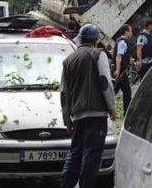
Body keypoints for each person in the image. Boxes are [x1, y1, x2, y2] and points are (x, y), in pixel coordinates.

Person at [61, 24, 118, 188]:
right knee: (91, 155)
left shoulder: (68, 60)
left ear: (81, 39)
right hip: (96, 114)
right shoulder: (97, 55)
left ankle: (67, 184)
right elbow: (104, 82)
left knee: (75, 153)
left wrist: (67, 119)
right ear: (95, 41)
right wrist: (112, 107)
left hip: (78, 115)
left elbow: (64, 94)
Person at [113, 24, 133, 114]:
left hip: (121, 71)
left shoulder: (122, 41)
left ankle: (126, 112)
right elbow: (119, 56)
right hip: (121, 71)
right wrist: (118, 70)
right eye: (130, 31)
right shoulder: (122, 42)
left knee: (117, 90)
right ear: (126, 32)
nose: (131, 33)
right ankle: (127, 112)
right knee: (126, 92)